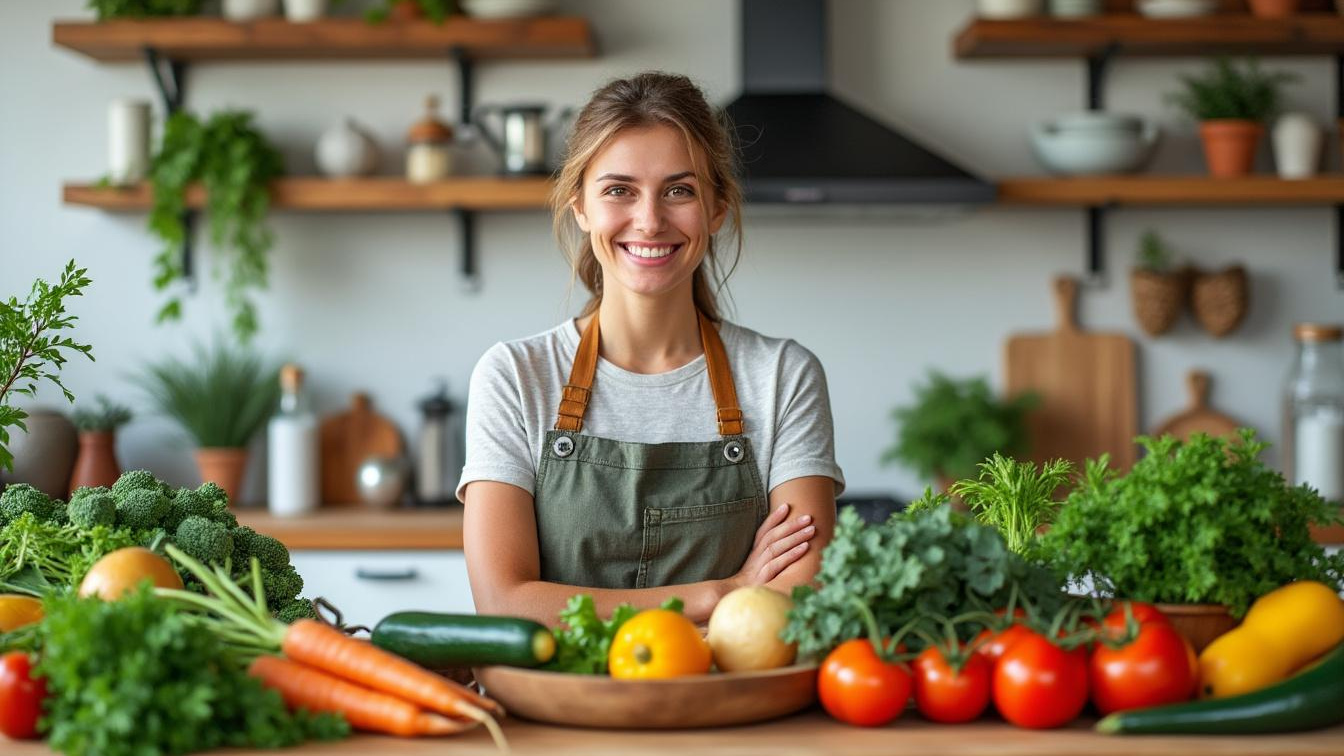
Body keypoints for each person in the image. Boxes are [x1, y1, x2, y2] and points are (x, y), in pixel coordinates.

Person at [458, 72, 845, 626]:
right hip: (559, 708)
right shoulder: (515, 376)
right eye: (619, 190)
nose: (650, 220)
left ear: (715, 209)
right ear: (581, 208)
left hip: (725, 706)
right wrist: (722, 593)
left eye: (679, 190)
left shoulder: (782, 375)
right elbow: (505, 603)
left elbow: (795, 597)